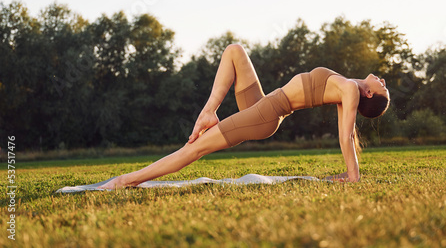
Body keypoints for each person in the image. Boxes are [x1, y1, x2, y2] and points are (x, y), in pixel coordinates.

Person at [99, 44, 389, 189]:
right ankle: (209, 111)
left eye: (383, 88)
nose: (382, 80)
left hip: (266, 114)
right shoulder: (345, 87)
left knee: (195, 148)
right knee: (235, 50)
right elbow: (347, 131)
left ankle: (127, 181)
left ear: (370, 95)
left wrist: (353, 175)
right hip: (262, 103)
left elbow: (346, 134)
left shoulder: (350, 89)